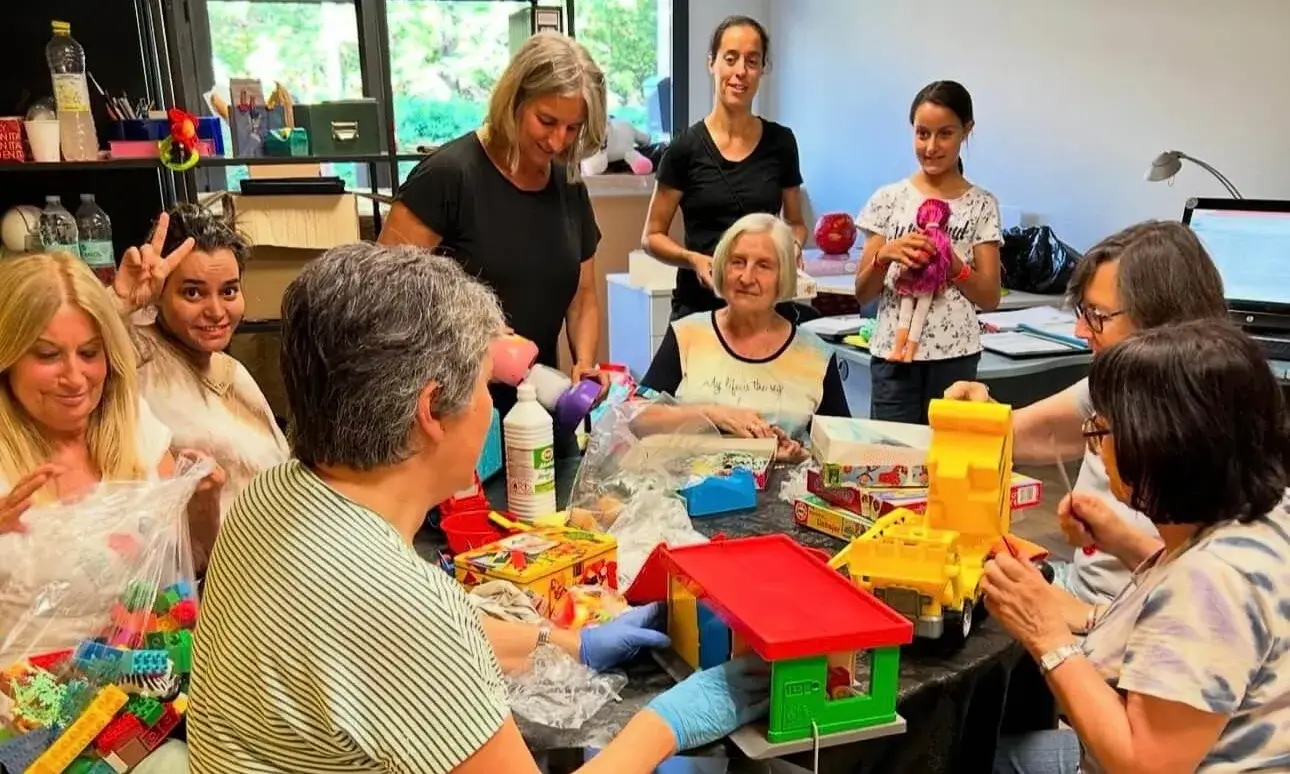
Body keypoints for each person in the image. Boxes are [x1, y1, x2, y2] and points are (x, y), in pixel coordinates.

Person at [189, 243, 769, 774]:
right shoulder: (399, 603)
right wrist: (663, 726)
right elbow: (411, 630)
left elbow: (415, 641)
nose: (490, 407)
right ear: (431, 411)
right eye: (486, 385)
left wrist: (571, 645)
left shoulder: (271, 494)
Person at [985, 321, 1290, 773]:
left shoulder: (1210, 585)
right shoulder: (1269, 512)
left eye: (1101, 431)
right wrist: (1122, 547)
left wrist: (1046, 634)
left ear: (1160, 446)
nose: (1096, 447)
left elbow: (1144, 765)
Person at [0, 253, 224, 774]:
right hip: (29, 713)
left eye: (90, 353)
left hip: (152, 692)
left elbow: (191, 562)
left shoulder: (134, 427)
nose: (75, 377)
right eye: (47, 355)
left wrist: (203, 499)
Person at [945, 220, 1228, 604]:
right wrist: (982, 414)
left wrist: (1086, 611)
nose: (1080, 330)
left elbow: (1204, 592)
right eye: (1083, 311)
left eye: (1097, 315)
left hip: (1134, 619)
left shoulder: (1217, 431)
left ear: (1159, 321)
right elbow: (1027, 432)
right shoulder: (1109, 388)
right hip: (1079, 598)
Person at [377, 32, 609, 457]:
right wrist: (473, 335)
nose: (558, 141)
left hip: (537, 409)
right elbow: (385, 294)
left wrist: (584, 365)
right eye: (546, 121)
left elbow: (583, 297)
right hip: (451, 417)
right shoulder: (449, 176)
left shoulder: (568, 184)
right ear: (513, 101)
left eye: (572, 128)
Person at [112, 205, 288, 518]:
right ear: (159, 293)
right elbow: (66, 343)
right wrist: (118, 303)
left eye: (229, 291)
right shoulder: (135, 355)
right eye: (193, 293)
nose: (217, 312)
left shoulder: (231, 369)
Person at [639, 214, 848, 459]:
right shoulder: (687, 335)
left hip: (783, 482)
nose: (747, 278)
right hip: (688, 481)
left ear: (783, 276)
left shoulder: (816, 356)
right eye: (737, 262)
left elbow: (841, 451)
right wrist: (713, 414)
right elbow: (638, 418)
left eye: (763, 265)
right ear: (721, 267)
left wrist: (801, 455)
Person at [854, 80, 1003, 424]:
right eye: (922, 134)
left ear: (967, 131)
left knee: (948, 448)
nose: (931, 146)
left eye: (945, 134)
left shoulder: (982, 205)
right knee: (892, 450)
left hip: (956, 357)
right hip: (894, 358)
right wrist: (884, 256)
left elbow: (990, 296)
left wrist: (953, 266)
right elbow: (862, 293)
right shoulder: (888, 200)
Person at [642, 15, 808, 321]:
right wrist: (692, 259)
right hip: (699, 308)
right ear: (712, 63)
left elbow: (796, 222)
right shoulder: (684, 149)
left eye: (752, 61)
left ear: (762, 69)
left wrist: (793, 247)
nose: (740, 71)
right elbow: (652, 236)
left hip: (763, 308)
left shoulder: (781, 142)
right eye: (730, 59)